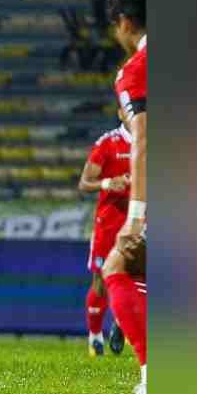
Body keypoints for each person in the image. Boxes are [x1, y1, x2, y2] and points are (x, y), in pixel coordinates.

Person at [101, 0, 148, 394]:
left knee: (118, 264)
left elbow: (145, 142)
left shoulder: (136, 70)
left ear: (124, 22)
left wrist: (135, 215)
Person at [78, 109, 132, 357]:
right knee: (100, 282)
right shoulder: (107, 143)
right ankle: (95, 337)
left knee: (136, 279)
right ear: (121, 113)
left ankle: (120, 325)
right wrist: (108, 183)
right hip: (108, 223)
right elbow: (84, 183)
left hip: (138, 222)